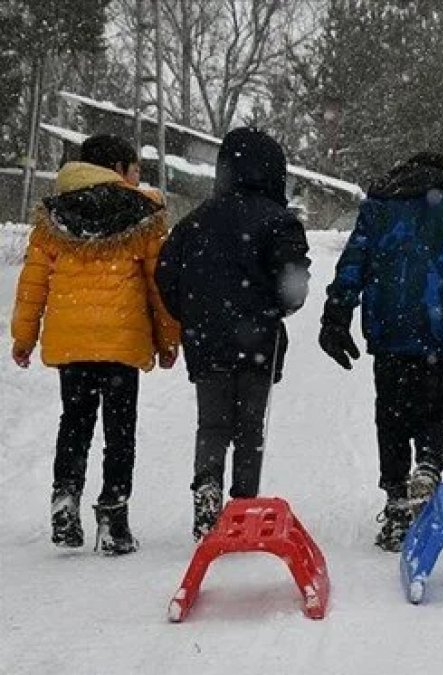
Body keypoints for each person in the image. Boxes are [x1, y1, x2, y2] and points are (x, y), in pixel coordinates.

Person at [10, 134, 180, 554]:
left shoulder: (54, 216)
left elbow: (33, 282)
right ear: (118, 170)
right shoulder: (143, 213)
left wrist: (24, 335)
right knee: (119, 431)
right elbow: (159, 285)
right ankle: (113, 518)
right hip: (122, 340)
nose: (139, 176)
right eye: (135, 168)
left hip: (73, 341)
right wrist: (168, 337)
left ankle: (65, 497)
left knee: (75, 422)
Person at [318, 152, 443, 552]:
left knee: (392, 414)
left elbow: (353, 264)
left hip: (390, 328)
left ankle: (397, 503)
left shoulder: (379, 209)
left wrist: (336, 314)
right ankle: (429, 464)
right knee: (437, 405)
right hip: (441, 328)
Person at [155, 127, 311, 541]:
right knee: (249, 428)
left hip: (206, 339)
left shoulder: (194, 222)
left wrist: (190, 313)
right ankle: (242, 506)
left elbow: (166, 276)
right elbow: (293, 289)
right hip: (259, 340)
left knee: (212, 424)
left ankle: (207, 489)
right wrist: (279, 307)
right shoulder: (280, 222)